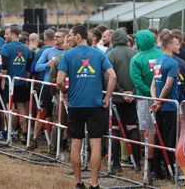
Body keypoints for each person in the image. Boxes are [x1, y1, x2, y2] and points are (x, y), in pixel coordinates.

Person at [57, 25, 116, 189]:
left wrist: (64, 92)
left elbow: (59, 81)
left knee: (76, 143)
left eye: (70, 36)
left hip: (76, 104)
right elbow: (113, 75)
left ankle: (78, 182)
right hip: (95, 104)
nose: (69, 39)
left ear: (78, 37)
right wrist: (107, 97)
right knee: (96, 144)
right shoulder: (98, 54)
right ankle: (94, 183)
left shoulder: (67, 55)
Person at [107, 28, 141, 174]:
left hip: (116, 97)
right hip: (132, 98)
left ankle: (116, 164)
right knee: (133, 128)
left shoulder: (110, 54)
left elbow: (109, 77)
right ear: (127, 40)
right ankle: (138, 164)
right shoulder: (135, 53)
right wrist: (131, 92)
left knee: (115, 130)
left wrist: (121, 92)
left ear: (113, 40)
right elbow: (138, 76)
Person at [130, 29, 163, 177]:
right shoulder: (162, 55)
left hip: (145, 99)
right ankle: (161, 161)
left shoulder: (136, 58)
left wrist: (150, 93)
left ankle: (149, 165)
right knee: (159, 131)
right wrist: (158, 94)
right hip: (163, 98)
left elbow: (137, 81)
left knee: (148, 132)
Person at [150, 33, 179, 179]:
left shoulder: (157, 61)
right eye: (176, 43)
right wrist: (160, 102)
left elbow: (153, 85)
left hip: (160, 106)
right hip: (169, 107)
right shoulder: (173, 63)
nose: (178, 46)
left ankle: (157, 170)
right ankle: (168, 171)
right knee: (169, 140)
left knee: (158, 138)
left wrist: (156, 101)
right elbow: (167, 87)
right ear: (168, 45)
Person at [0, 26, 32, 144]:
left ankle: (10, 132)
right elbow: (28, 69)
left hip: (10, 82)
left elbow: (4, 67)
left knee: (10, 108)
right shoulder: (26, 49)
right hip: (22, 83)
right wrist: (25, 80)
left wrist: (3, 81)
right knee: (22, 109)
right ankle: (24, 134)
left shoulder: (6, 47)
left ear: (14, 34)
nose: (4, 36)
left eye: (7, 34)